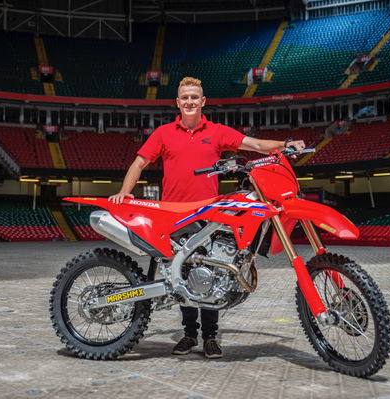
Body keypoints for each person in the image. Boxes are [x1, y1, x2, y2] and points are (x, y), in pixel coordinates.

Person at [109, 77, 305, 359]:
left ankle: (210, 337)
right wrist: (124, 193)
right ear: (178, 103)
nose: (189, 101)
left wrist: (285, 144)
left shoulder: (216, 132)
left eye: (194, 97)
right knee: (181, 275)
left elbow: (254, 144)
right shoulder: (163, 133)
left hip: (209, 213)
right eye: (184, 97)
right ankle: (189, 334)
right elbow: (139, 162)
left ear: (203, 102)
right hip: (174, 216)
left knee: (213, 271)